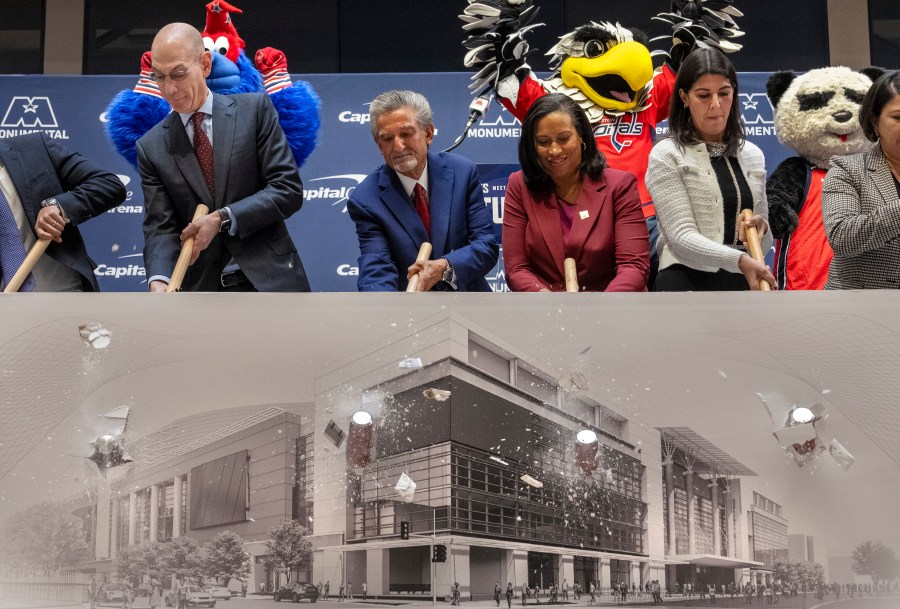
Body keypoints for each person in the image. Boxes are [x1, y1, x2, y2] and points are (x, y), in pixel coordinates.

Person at [137, 23, 310, 292]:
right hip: (201, 292)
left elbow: (287, 190)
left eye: (178, 74)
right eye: (159, 77)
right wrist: (159, 278)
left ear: (205, 64)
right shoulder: (151, 146)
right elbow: (160, 228)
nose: (169, 89)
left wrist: (222, 219)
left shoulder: (254, 111)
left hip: (270, 283)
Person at [646, 48, 776, 291]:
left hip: (743, 281)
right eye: (704, 95)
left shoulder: (753, 155)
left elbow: (764, 242)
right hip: (684, 284)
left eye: (724, 93)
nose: (716, 104)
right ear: (684, 98)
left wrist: (762, 230)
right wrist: (739, 260)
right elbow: (681, 237)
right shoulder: (666, 154)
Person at [347, 90, 499, 292]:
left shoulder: (463, 172)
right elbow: (376, 266)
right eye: (387, 138)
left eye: (406, 134)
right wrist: (382, 310)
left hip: (468, 300)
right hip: (409, 310)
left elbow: (485, 245)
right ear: (379, 145)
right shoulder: (365, 199)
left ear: (427, 133)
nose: (398, 147)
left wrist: (444, 267)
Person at [503, 93, 650, 292]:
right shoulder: (519, 186)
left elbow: (634, 267)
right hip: (545, 312)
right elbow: (516, 269)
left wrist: (598, 311)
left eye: (563, 139)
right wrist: (548, 302)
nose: (554, 150)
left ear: (582, 137)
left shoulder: (620, 186)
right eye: (544, 142)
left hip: (612, 310)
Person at [0, 133, 125, 292]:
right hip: (5, 309)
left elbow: (108, 185)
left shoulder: (33, 148)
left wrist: (58, 206)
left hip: (65, 295)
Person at [822, 70, 900, 289]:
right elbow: (842, 237)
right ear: (875, 121)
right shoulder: (847, 169)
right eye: (898, 117)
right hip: (859, 310)